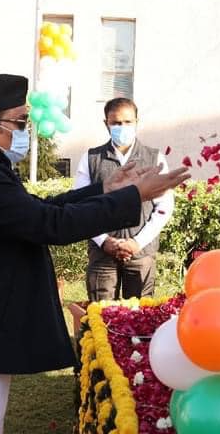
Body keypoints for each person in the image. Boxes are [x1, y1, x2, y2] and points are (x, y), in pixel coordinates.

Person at [0, 74, 188, 434]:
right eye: (20, 123)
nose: (26, 131)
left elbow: (37, 208)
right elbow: (50, 224)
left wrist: (105, 189)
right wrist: (134, 196)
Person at [76, 97, 173, 301]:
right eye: (116, 123)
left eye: (128, 122)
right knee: (101, 314)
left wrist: (137, 242)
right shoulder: (91, 159)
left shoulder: (154, 158)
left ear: (137, 121)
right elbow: (81, 205)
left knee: (140, 313)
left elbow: (164, 207)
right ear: (106, 124)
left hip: (140, 253)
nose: (122, 127)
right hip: (102, 254)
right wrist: (104, 241)